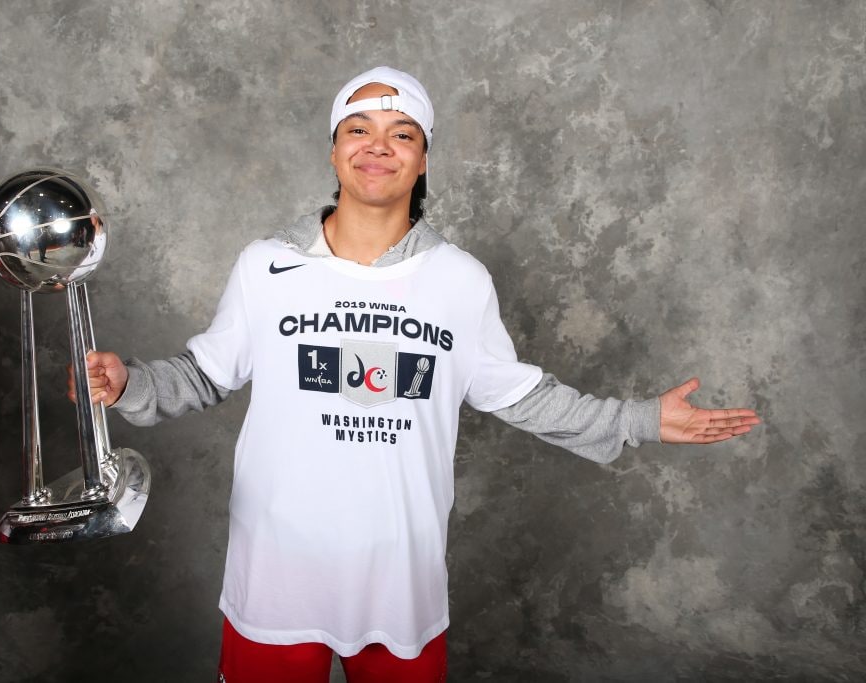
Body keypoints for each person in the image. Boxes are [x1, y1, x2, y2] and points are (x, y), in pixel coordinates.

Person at [68, 67, 760, 683]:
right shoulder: (265, 266)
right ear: (334, 148)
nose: (379, 145)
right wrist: (128, 381)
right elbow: (202, 374)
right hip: (278, 571)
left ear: (423, 159)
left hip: (399, 579)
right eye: (360, 128)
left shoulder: (459, 281)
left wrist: (637, 419)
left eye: (402, 133)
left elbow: (523, 394)